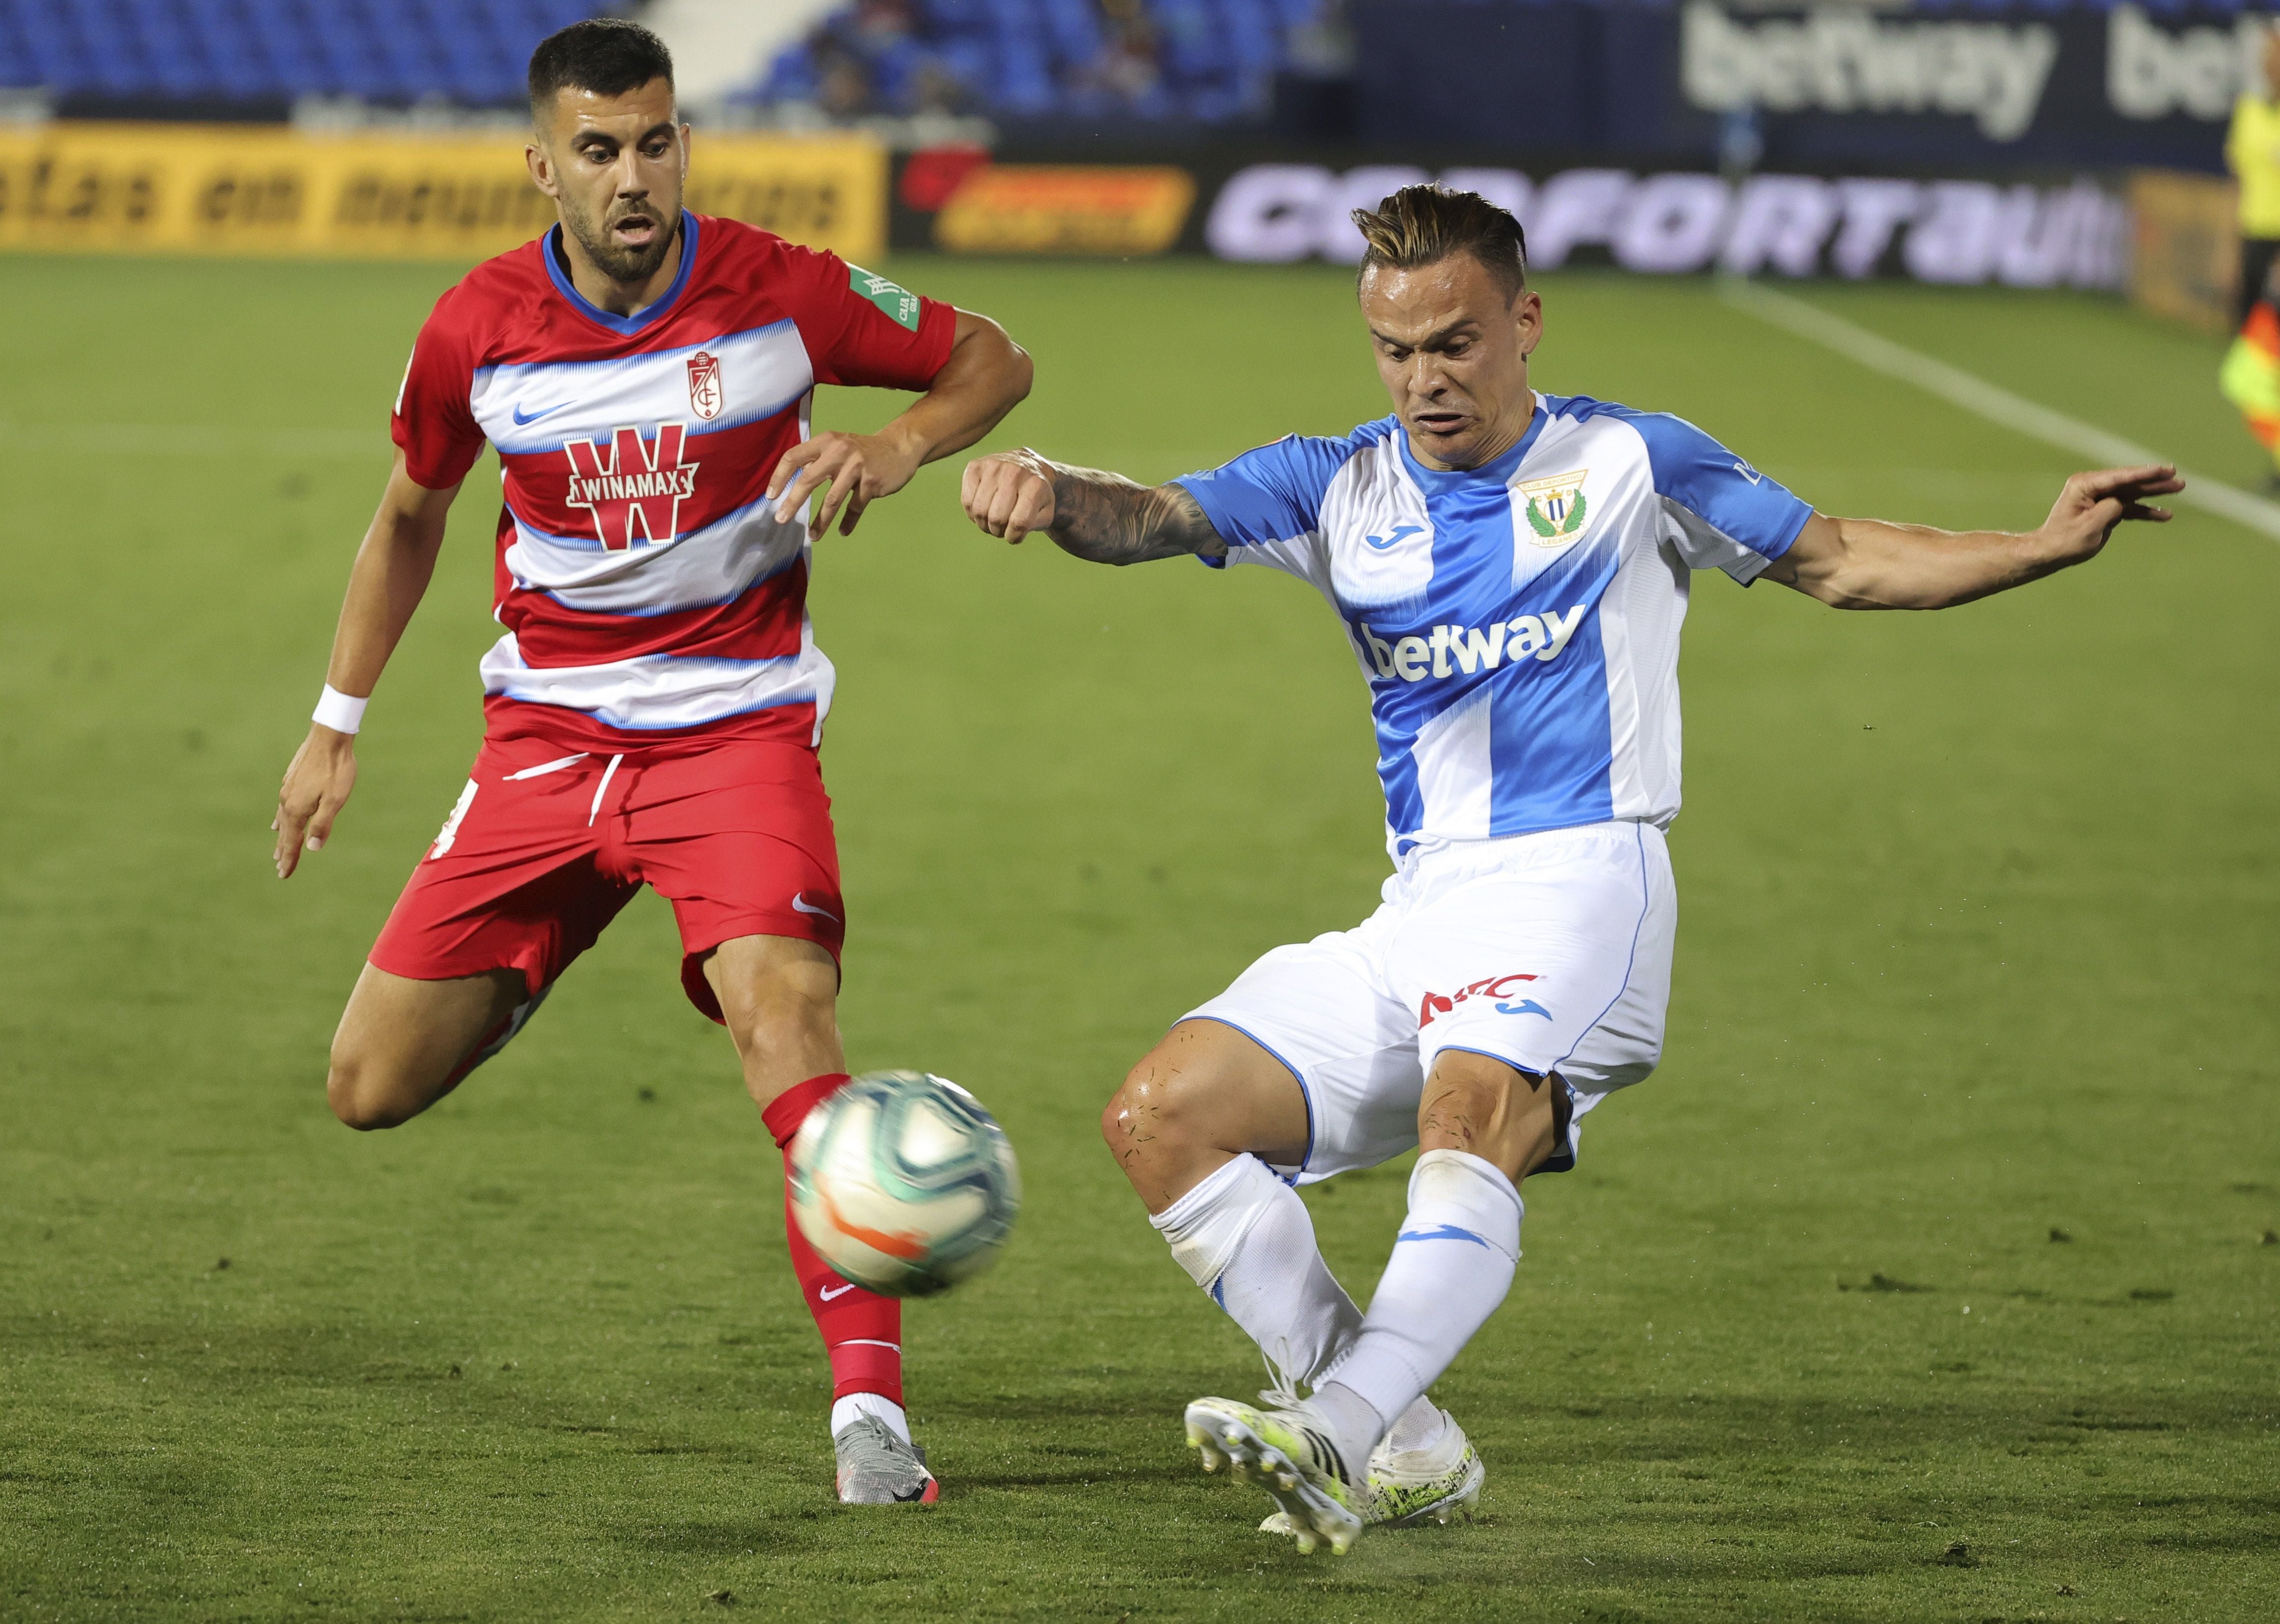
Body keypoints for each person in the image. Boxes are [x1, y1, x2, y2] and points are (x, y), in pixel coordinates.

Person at [959, 185, 2178, 1554]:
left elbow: (1840, 561)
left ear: (1524, 324)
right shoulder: (1337, 485)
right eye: (1396, 350)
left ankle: (1340, 1427)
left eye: (1457, 343)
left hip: (1585, 878)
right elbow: (1151, 517)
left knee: (1464, 1116)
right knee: (1163, 1117)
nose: (1426, 380)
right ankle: (1408, 1444)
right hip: (1422, 906)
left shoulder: (1631, 465)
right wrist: (1055, 488)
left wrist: (2039, 544)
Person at [270, 19, 1032, 1505]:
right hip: (546, 745)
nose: (635, 175)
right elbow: (413, 516)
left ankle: (870, 1421)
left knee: (785, 1016)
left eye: (658, 141)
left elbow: (995, 357)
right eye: (602, 150)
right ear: (543, 164)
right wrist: (335, 721)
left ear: (686, 140)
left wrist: (900, 446)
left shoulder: (786, 292)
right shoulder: (473, 327)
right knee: (366, 1087)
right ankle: (550, 939)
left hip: (735, 730)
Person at [2227, 23, 2280, 331]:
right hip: (2253, 231)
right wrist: (2228, 250)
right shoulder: (2249, 108)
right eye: (2268, 52)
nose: (2270, 61)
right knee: (2248, 335)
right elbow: (2237, 177)